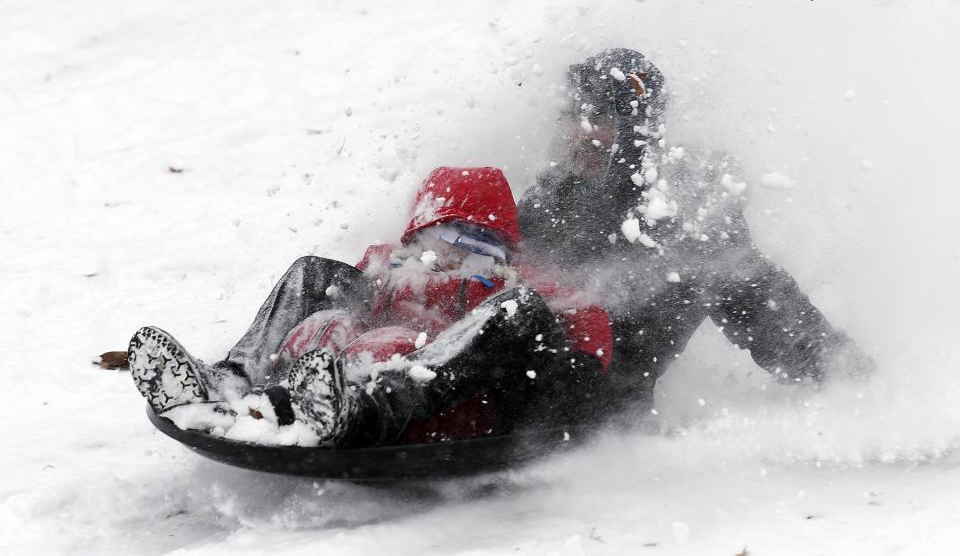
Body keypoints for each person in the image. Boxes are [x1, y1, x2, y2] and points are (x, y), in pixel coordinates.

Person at [129, 167, 611, 447]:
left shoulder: (527, 291)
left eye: (468, 241)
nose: (446, 253)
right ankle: (233, 380)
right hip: (337, 371)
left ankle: (354, 407)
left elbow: (587, 341)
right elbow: (352, 305)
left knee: (493, 316)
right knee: (320, 286)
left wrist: (576, 376)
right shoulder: (391, 271)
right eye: (434, 237)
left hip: (439, 402)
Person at [517, 48, 874, 417]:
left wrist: (851, 385)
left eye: (602, 118)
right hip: (517, 389)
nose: (582, 131)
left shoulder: (687, 204)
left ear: (637, 130)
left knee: (722, 264)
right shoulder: (546, 201)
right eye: (575, 115)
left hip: (596, 411)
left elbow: (758, 300)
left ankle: (846, 378)